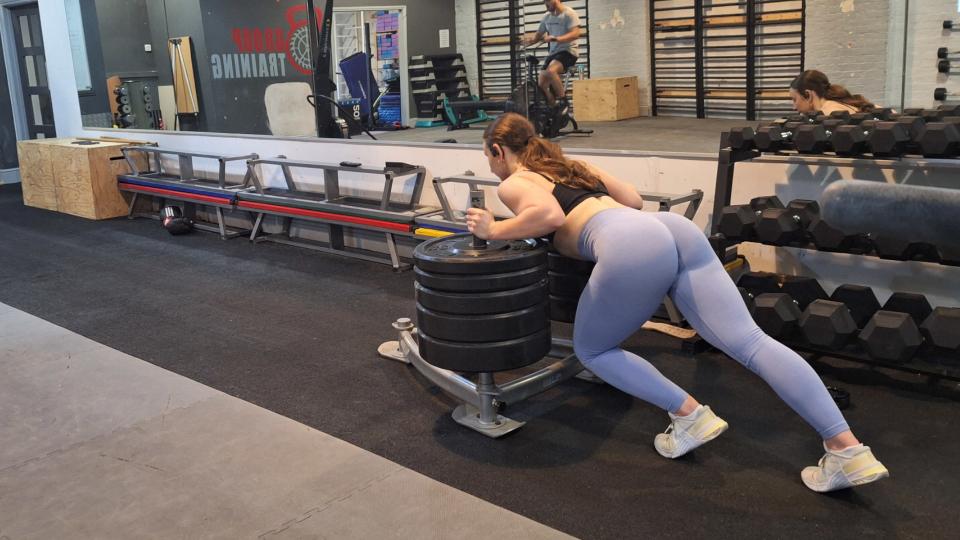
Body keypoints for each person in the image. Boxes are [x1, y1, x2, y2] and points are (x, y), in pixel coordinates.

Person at [465, 112, 889, 493]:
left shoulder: (515, 181)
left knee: (593, 350)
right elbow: (630, 199)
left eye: (489, 157)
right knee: (751, 341)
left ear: (498, 150)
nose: (491, 165)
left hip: (630, 243)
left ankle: (689, 415)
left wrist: (492, 229)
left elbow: (549, 217)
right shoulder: (570, 167)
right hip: (667, 228)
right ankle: (848, 450)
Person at [524, 0, 581, 110]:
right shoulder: (547, 16)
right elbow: (539, 33)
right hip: (554, 53)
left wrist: (556, 39)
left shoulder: (569, 13)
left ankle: (564, 101)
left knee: (551, 70)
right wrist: (531, 41)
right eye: (544, 1)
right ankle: (554, 106)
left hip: (568, 51)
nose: (546, 3)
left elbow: (575, 33)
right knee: (541, 83)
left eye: (548, 1)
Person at [790, 70, 878, 115]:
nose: (794, 107)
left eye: (795, 100)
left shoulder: (827, 115)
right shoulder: (848, 104)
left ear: (808, 95)